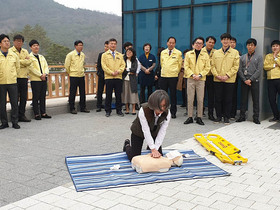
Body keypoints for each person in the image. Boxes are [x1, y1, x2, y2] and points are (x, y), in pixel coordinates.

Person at [123, 90, 171, 161]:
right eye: (160, 106)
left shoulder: (167, 113)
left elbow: (162, 131)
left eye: (164, 106)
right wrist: (153, 148)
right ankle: (127, 145)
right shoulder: (144, 110)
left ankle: (150, 147)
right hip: (138, 131)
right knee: (134, 157)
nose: (162, 109)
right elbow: (146, 130)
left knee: (158, 156)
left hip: (154, 132)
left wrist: (155, 148)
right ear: (154, 104)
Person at [211, 33, 240, 125]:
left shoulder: (235, 53)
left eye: (227, 39)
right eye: (224, 39)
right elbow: (212, 66)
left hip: (229, 80)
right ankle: (219, 116)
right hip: (217, 79)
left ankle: (226, 117)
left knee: (228, 99)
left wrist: (227, 75)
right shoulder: (216, 52)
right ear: (221, 41)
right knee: (218, 99)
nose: (225, 41)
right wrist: (217, 75)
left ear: (230, 41)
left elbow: (236, 67)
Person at [183, 37, 211, 126]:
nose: (198, 45)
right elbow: (186, 66)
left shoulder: (205, 55)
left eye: (200, 43)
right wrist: (192, 75)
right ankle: (190, 117)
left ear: (203, 45)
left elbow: (207, 67)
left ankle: (199, 117)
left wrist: (200, 75)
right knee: (190, 99)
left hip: (201, 80)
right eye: (197, 43)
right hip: (190, 79)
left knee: (200, 99)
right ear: (193, 44)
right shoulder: (188, 54)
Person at [236, 38, 262, 124]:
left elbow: (259, 70)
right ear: (246, 46)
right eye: (248, 45)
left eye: (252, 45)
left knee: (256, 99)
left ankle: (256, 117)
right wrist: (245, 80)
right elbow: (239, 70)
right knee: (243, 99)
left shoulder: (259, 57)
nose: (250, 47)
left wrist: (250, 79)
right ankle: (242, 116)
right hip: (244, 81)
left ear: (255, 46)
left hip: (254, 81)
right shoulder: (243, 57)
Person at [0, 34, 20, 129]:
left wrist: (14, 76)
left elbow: (18, 68)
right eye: (5, 41)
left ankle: (15, 122)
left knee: (14, 103)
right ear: (0, 44)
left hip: (12, 82)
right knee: (1, 103)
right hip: (1, 83)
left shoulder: (14, 55)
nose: (7, 43)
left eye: (8, 41)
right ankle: (4, 122)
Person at [11, 34, 32, 122]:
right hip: (14, 77)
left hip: (24, 77)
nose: (19, 42)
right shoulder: (10, 51)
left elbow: (30, 61)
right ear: (14, 42)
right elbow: (13, 62)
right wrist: (24, 61)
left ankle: (22, 115)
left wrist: (20, 62)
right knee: (15, 98)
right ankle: (14, 116)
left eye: (21, 41)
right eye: (17, 41)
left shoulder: (25, 51)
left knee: (24, 97)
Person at [101, 38, 126, 117]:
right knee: (108, 95)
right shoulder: (104, 55)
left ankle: (119, 110)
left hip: (118, 77)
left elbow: (123, 65)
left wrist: (118, 71)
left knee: (118, 95)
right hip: (109, 77)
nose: (113, 45)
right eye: (111, 43)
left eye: (114, 44)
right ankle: (108, 111)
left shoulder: (120, 55)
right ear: (108, 45)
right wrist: (111, 72)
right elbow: (104, 66)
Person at [160, 37, 182, 119]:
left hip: (173, 76)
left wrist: (175, 71)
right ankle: (163, 111)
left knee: (173, 95)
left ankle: (173, 112)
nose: (171, 44)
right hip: (164, 76)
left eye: (173, 43)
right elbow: (162, 63)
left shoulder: (178, 53)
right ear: (167, 43)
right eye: (170, 42)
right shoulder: (163, 52)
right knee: (163, 96)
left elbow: (179, 65)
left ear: (175, 44)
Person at [65, 40, 90, 114]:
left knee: (83, 92)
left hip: (81, 75)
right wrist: (70, 72)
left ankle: (83, 107)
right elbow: (67, 65)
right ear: (75, 46)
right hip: (73, 75)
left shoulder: (83, 55)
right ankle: (72, 108)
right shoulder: (70, 55)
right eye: (79, 45)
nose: (81, 47)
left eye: (82, 45)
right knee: (73, 92)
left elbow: (82, 64)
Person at [29, 40, 51, 120]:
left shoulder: (42, 57)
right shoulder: (29, 57)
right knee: (36, 97)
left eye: (37, 45)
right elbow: (31, 68)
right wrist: (40, 75)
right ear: (31, 47)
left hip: (43, 79)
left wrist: (45, 74)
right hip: (35, 80)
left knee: (43, 96)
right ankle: (36, 114)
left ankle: (43, 112)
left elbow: (46, 67)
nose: (36, 47)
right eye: (34, 45)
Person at [264, 40, 280, 122]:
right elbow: (265, 66)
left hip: (279, 79)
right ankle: (276, 116)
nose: (275, 47)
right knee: (271, 99)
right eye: (273, 46)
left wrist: (275, 58)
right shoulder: (268, 56)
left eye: (277, 46)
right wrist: (274, 65)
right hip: (270, 80)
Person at [202, 36, 216, 121]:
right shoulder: (201, 51)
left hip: (212, 77)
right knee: (201, 96)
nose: (211, 44)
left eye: (213, 42)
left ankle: (210, 114)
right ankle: (200, 113)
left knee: (211, 96)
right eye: (209, 42)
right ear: (206, 42)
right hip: (202, 76)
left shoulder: (216, 52)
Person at [122, 48, 139, 115]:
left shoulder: (135, 60)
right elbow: (122, 69)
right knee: (125, 94)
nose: (128, 53)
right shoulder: (123, 60)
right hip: (125, 79)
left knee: (133, 94)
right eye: (127, 52)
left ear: (133, 53)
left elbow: (134, 69)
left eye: (130, 52)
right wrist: (129, 71)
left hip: (132, 79)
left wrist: (127, 69)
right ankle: (127, 109)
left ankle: (133, 109)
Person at [96, 40, 109, 112]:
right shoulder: (101, 54)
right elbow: (98, 65)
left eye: (107, 47)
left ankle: (107, 105)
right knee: (100, 91)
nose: (106, 48)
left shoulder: (112, 55)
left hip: (109, 76)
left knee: (108, 91)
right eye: (105, 46)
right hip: (101, 75)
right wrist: (100, 74)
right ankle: (99, 105)